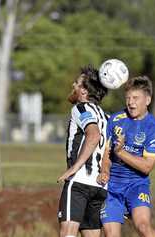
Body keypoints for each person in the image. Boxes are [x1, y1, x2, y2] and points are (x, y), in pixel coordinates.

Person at [97, 76, 155, 237]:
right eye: (128, 98)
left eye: (135, 98)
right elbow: (106, 154)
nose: (130, 102)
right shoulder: (115, 119)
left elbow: (146, 167)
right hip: (112, 188)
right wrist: (105, 170)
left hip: (137, 185)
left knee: (143, 227)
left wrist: (121, 152)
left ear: (147, 100)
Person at [57, 65, 109, 237]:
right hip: (99, 187)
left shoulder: (80, 108)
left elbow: (93, 134)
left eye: (77, 83)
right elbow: (109, 149)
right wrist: (105, 171)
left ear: (85, 92)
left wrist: (74, 168)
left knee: (68, 234)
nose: (73, 85)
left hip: (79, 183)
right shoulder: (106, 117)